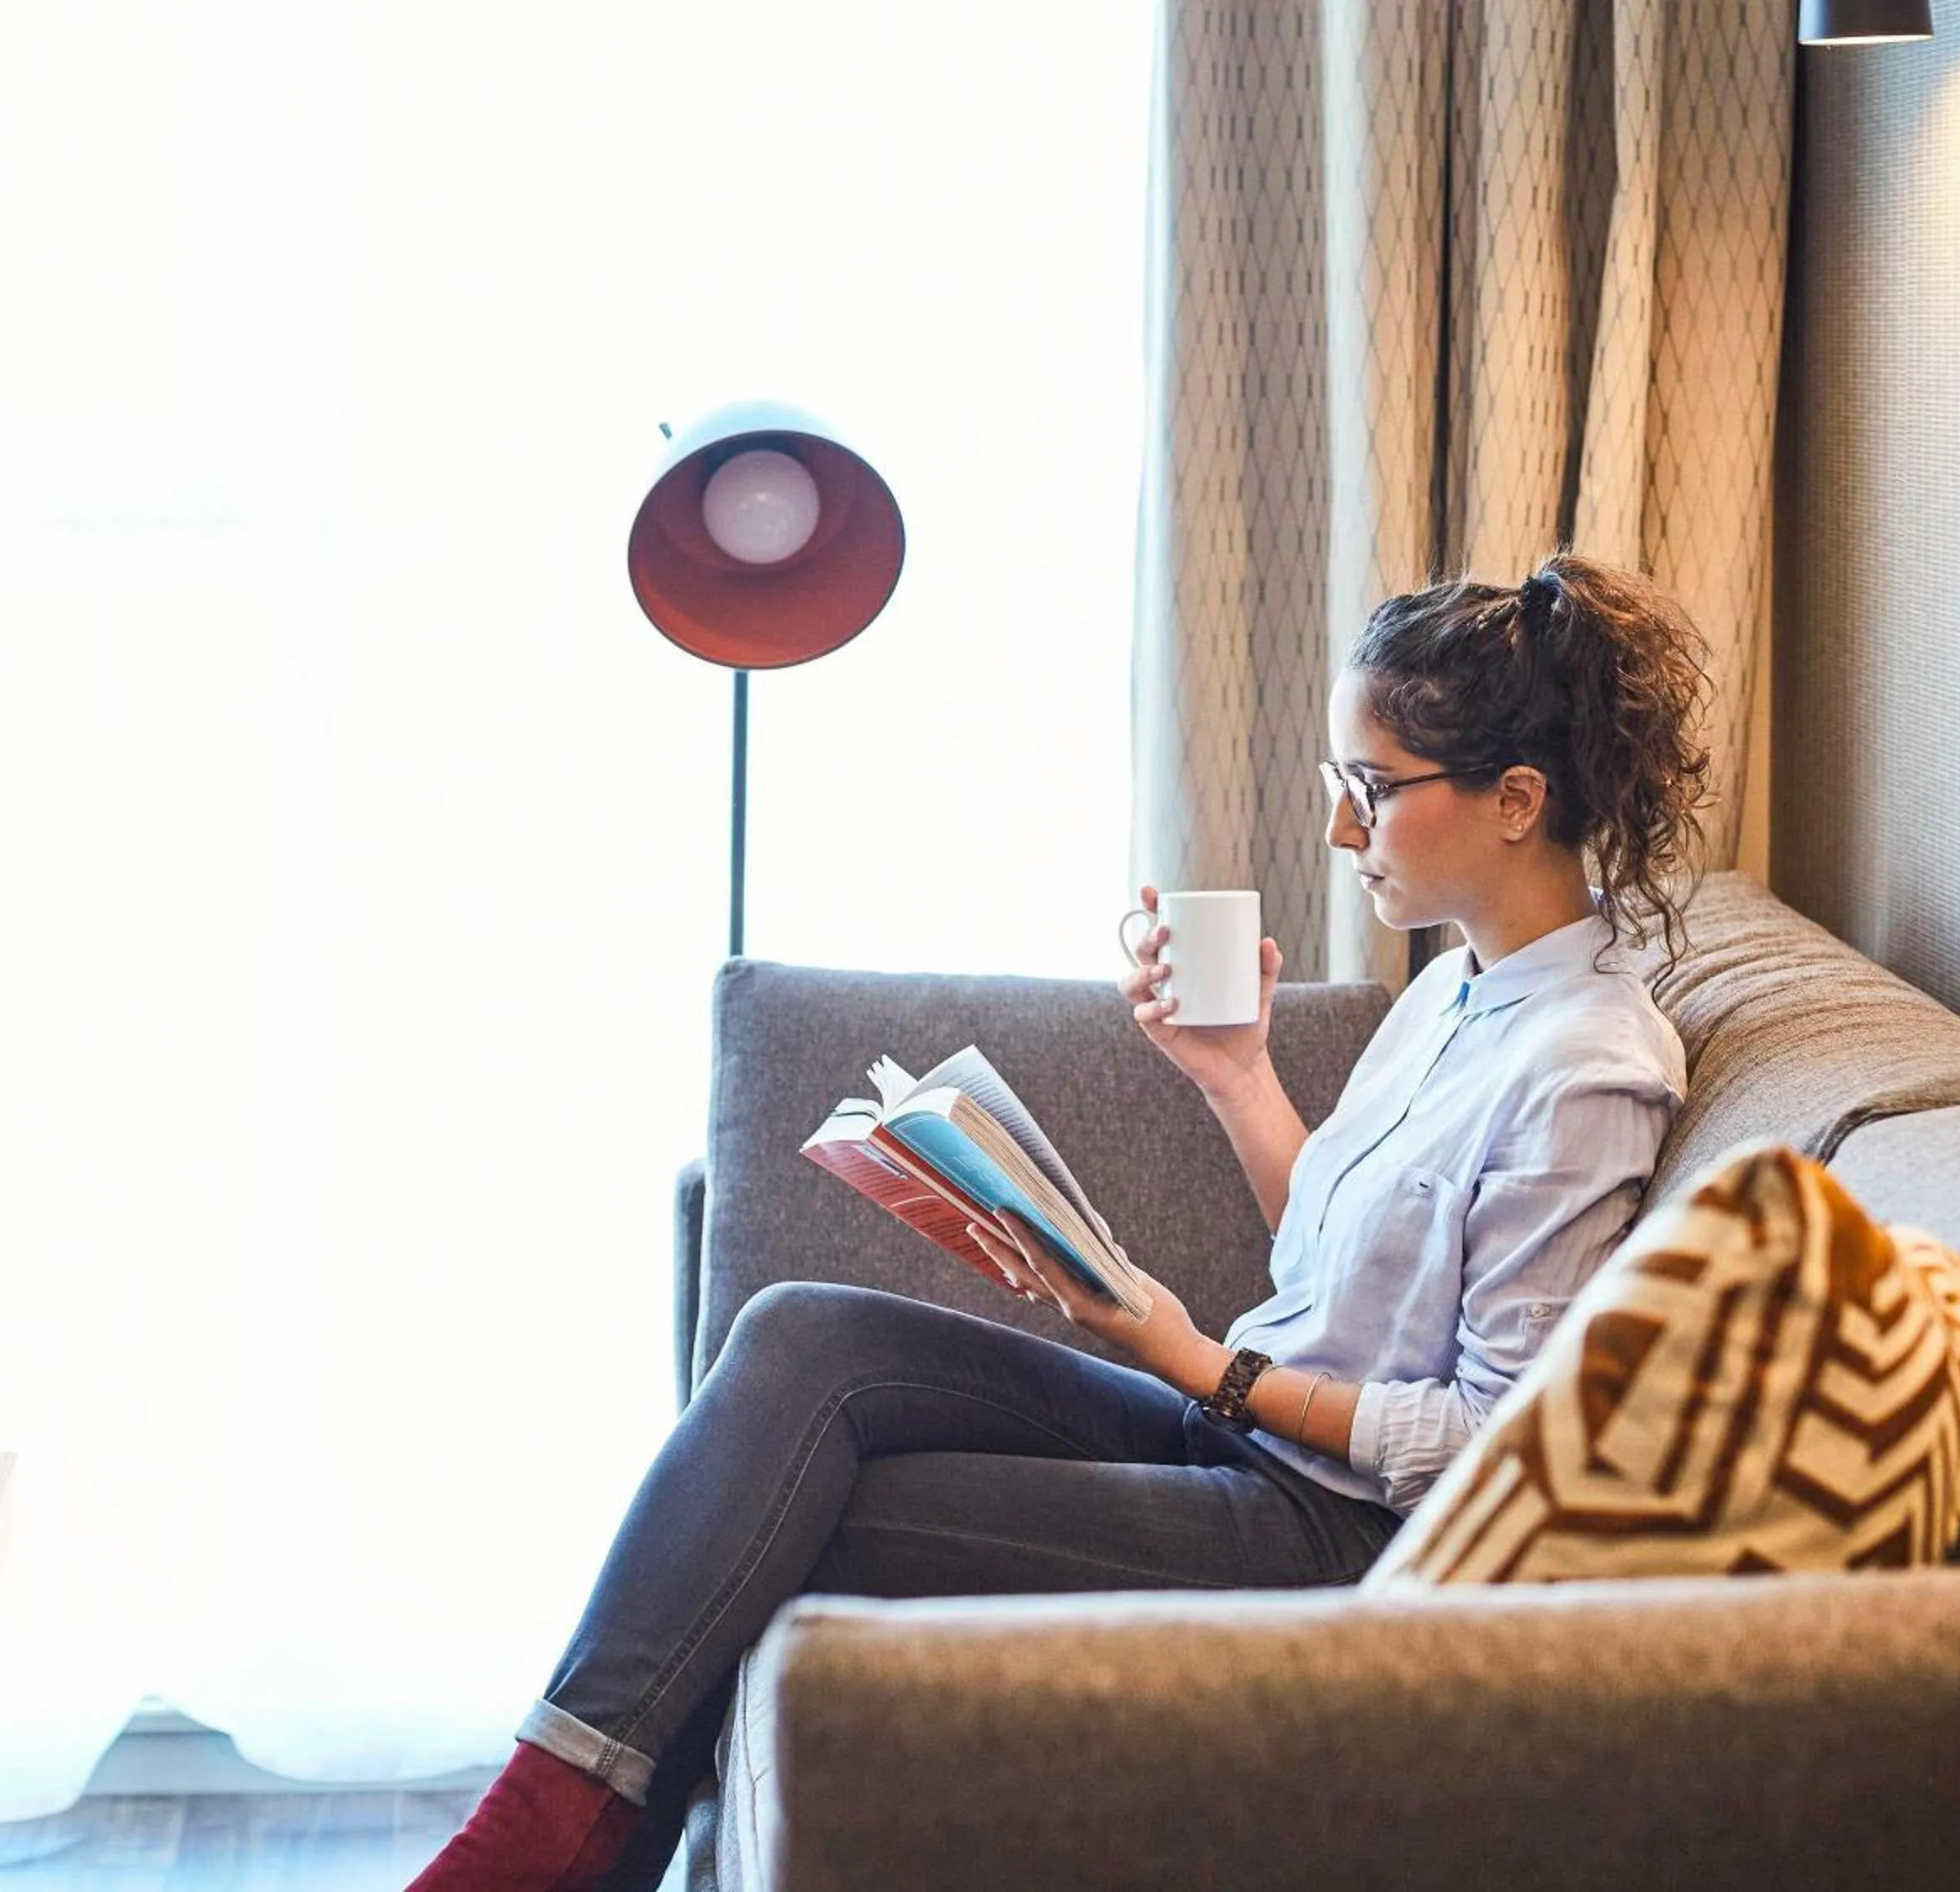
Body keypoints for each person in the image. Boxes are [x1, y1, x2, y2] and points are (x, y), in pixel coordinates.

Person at [408, 552, 1712, 1892]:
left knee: (811, 1516)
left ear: (1515, 800)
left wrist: (1196, 1357)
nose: (1340, 829)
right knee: (802, 1335)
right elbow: (1341, 1264)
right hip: (1242, 1438)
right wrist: (1235, 1071)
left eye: (1371, 790)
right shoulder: (1452, 994)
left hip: (1343, 1536)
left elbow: (1495, 1441)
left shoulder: (1589, 1065)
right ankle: (547, 1835)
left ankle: (538, 1854)